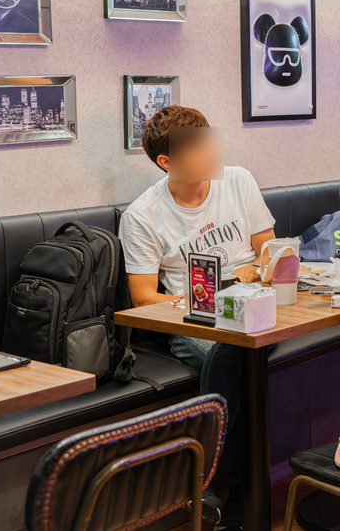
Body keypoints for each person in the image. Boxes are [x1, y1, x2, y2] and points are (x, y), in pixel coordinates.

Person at [119, 105, 276, 530]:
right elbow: (143, 296)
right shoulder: (142, 216)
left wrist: (256, 273)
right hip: (194, 320)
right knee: (231, 352)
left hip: (259, 302)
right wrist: (221, 284)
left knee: (252, 349)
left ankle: (215, 479)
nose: (210, 153)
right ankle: (226, 483)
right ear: (166, 162)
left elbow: (269, 253)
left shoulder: (238, 181)